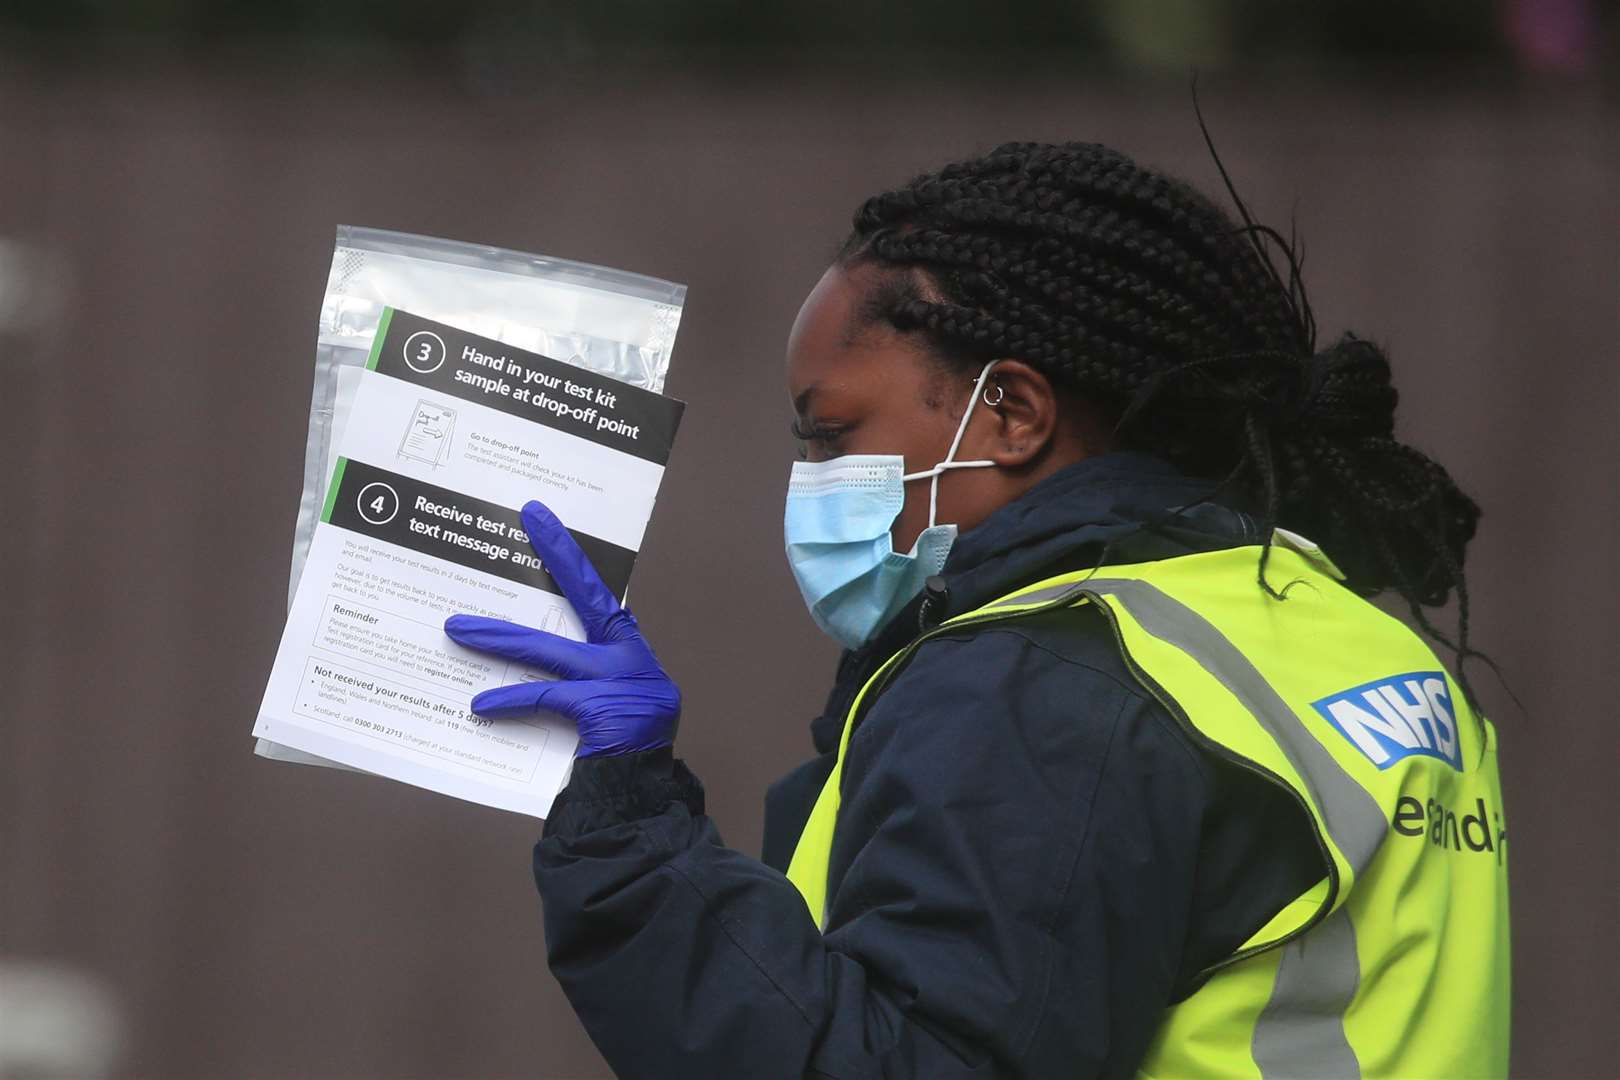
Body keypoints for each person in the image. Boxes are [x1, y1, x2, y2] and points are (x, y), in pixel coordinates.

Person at [443, 140, 1510, 1078]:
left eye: (828, 434)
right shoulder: (1361, 648)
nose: (807, 476)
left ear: (1011, 413)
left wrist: (630, 838)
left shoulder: (1052, 678)